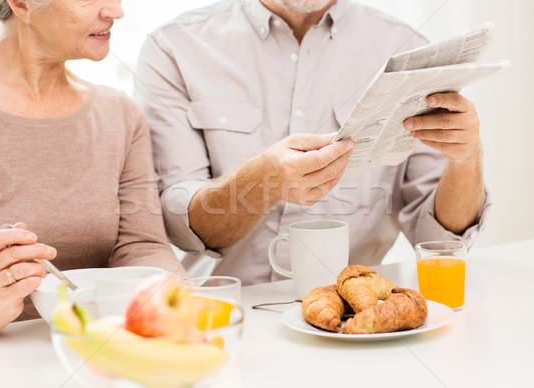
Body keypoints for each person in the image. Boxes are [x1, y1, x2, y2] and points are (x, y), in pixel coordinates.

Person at [133, 0, 490, 285]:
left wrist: (466, 157)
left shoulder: (407, 50)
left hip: (353, 322)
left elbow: (439, 241)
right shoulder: (174, 48)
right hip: (223, 316)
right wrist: (261, 181)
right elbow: (179, 225)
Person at [0, 0, 185, 334]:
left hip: (98, 355)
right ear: (20, 4)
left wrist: (177, 291)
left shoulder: (119, 114)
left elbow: (140, 246)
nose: (115, 12)